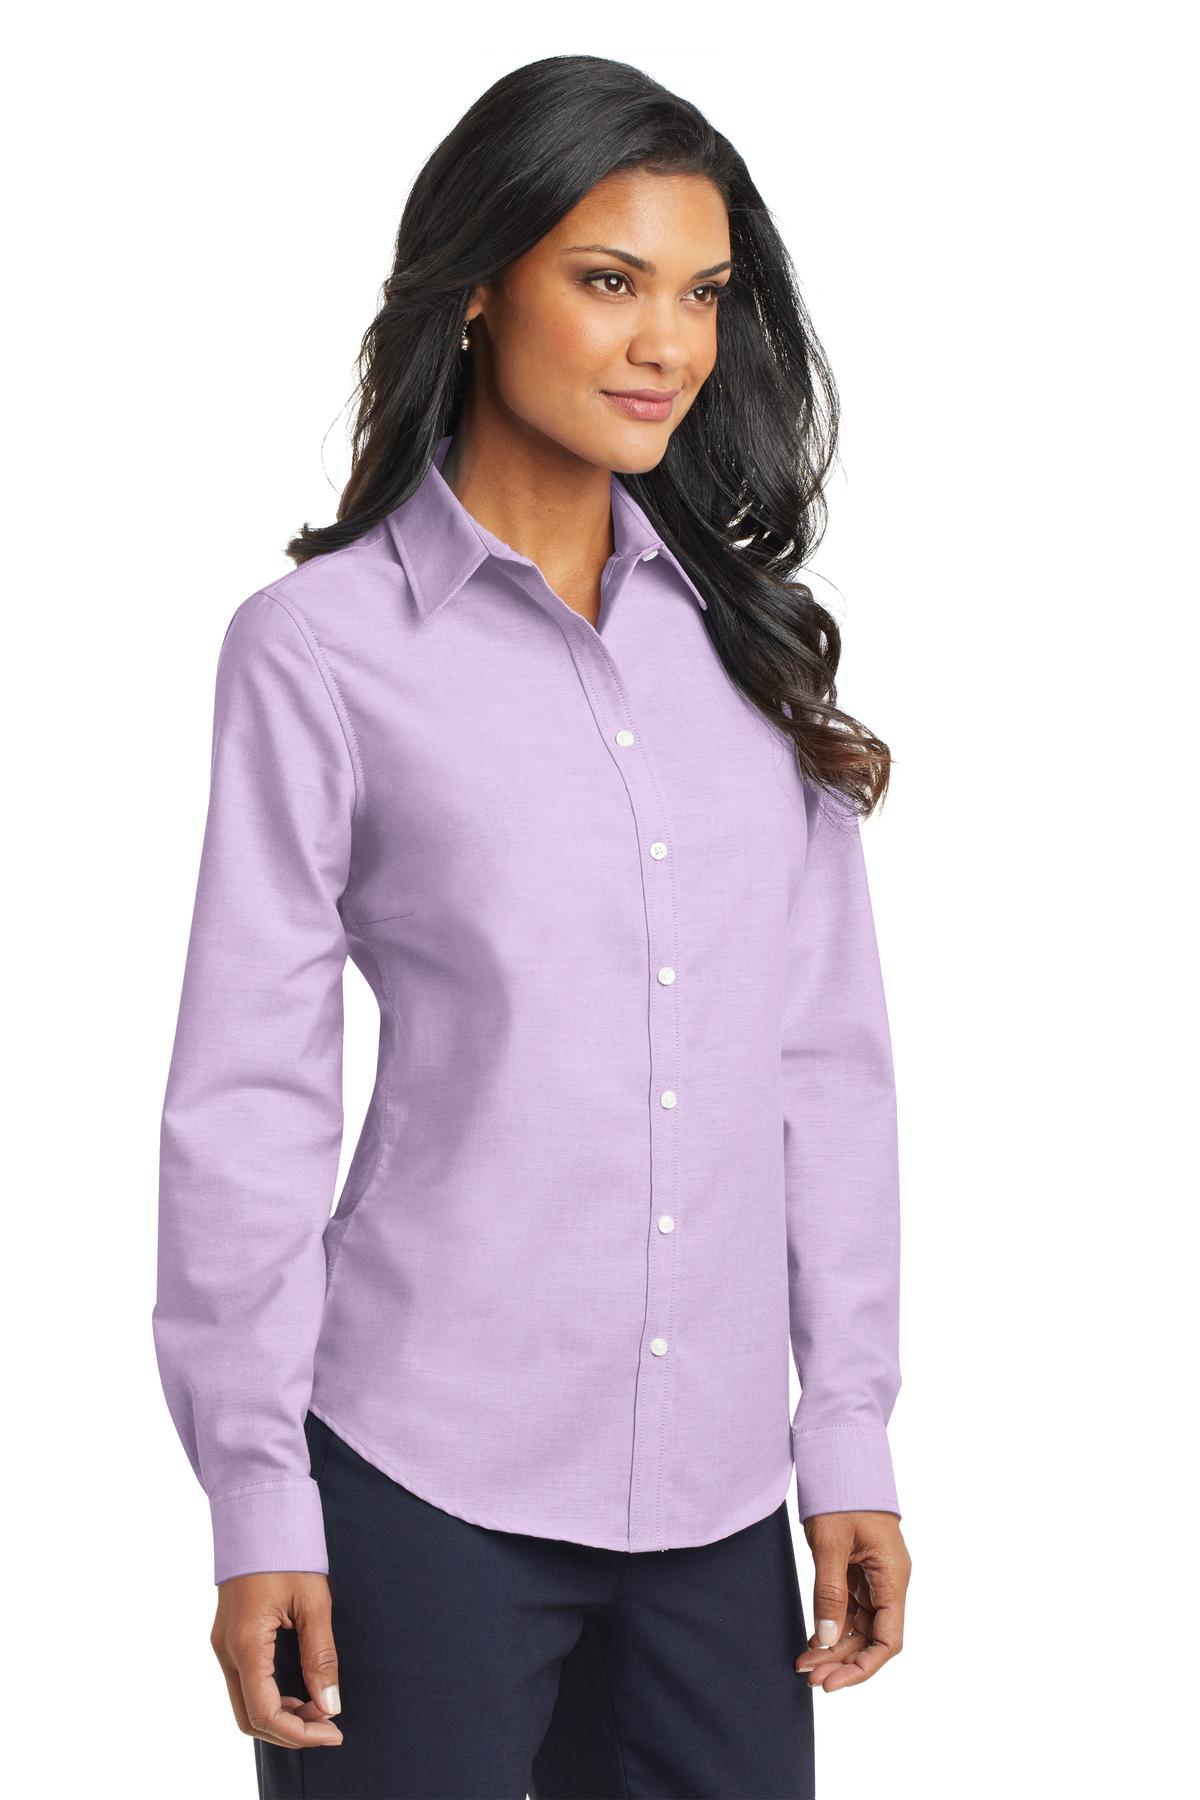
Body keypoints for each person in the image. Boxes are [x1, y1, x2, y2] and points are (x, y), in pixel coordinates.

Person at [152, 52, 912, 1800]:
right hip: (419, 1485)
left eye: (702, 294)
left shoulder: (748, 650)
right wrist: (258, 1498)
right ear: (480, 285)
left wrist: (850, 1436)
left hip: (721, 1509)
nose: (669, 343)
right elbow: (250, 1096)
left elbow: (824, 1069)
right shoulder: (319, 651)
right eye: (610, 281)